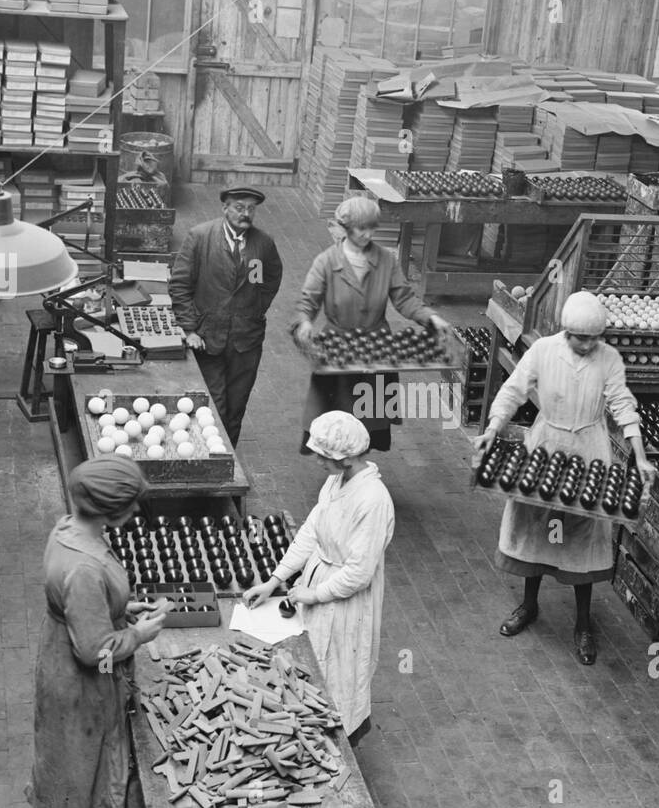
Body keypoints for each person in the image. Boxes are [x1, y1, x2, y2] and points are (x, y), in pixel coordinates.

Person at [474, 291, 658, 665]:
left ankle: (583, 623)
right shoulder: (543, 350)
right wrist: (493, 428)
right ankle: (528, 605)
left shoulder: (609, 359)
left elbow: (623, 405)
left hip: (590, 447)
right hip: (547, 443)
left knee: (582, 534)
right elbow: (513, 390)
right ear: (566, 331)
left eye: (594, 338)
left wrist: (639, 456)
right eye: (580, 338)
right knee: (535, 526)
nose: (588, 345)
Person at [26, 457, 167, 808]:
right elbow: (95, 653)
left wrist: (119, 608)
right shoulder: (85, 568)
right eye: (131, 506)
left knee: (65, 767)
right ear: (113, 510)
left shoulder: (67, 528)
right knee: (77, 770)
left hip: (57, 661)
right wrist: (138, 634)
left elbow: (84, 607)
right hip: (79, 685)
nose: (135, 514)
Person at [241, 412, 394, 744]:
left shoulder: (373, 500)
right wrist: (273, 580)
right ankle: (311, 728)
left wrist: (315, 594)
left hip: (346, 600)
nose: (319, 463)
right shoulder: (336, 481)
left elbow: (359, 573)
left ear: (346, 456)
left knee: (341, 669)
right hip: (321, 580)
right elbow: (310, 533)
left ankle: (340, 742)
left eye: (325, 457)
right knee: (316, 661)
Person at [291, 196, 451, 453]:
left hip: (376, 353)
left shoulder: (386, 260)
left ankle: (358, 473)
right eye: (361, 228)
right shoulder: (327, 262)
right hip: (338, 353)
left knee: (367, 423)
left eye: (372, 228)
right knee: (337, 423)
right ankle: (340, 473)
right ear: (346, 228)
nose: (368, 234)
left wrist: (429, 317)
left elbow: (404, 298)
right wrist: (305, 323)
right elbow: (307, 301)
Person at [169, 186, 284, 446]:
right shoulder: (200, 237)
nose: (246, 214)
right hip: (208, 339)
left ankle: (227, 457)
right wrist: (189, 330)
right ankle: (205, 452)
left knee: (236, 407)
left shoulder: (263, 244)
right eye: (239, 207)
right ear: (225, 209)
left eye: (251, 209)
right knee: (214, 405)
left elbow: (270, 280)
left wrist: (255, 310)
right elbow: (180, 285)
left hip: (246, 341)